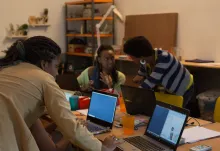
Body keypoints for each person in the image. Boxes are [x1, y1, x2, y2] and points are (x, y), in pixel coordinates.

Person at [0, 36, 119, 151]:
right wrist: (103, 148)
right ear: (44, 64)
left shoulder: (7, 71)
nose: (57, 73)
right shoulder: (44, 78)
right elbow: (71, 127)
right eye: (56, 66)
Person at [123, 36, 194, 107]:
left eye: (132, 57)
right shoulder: (145, 60)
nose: (131, 59)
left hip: (183, 87)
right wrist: (135, 81)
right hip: (167, 89)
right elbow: (141, 73)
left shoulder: (164, 58)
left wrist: (134, 95)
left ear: (141, 56)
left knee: (175, 113)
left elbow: (151, 81)